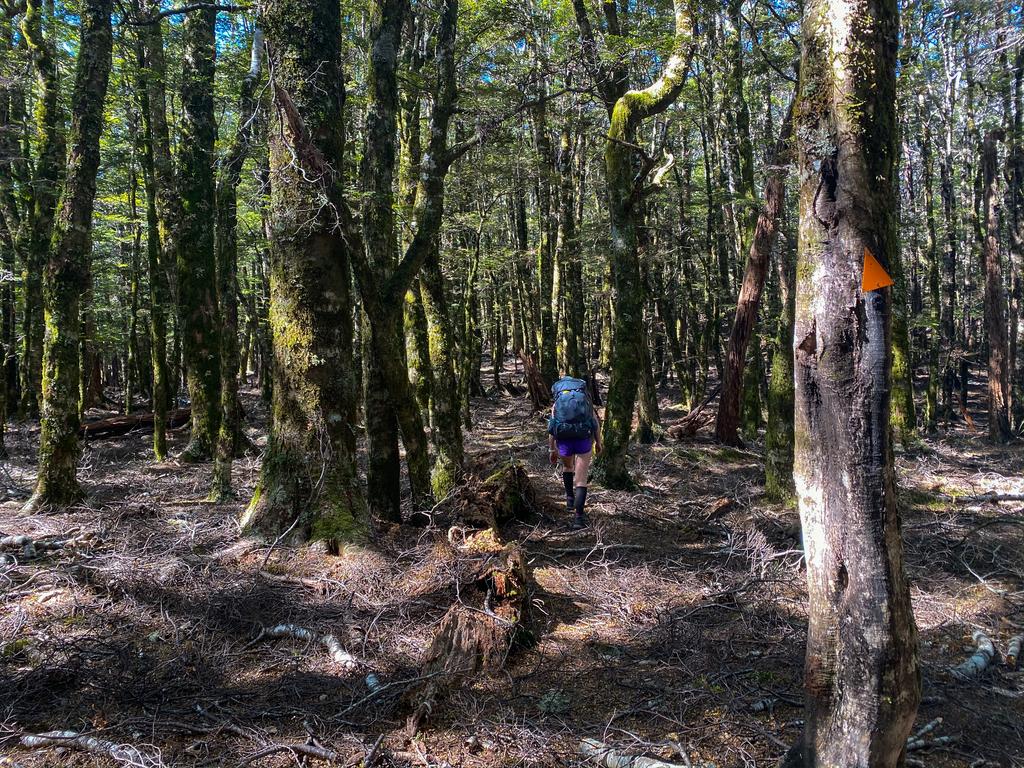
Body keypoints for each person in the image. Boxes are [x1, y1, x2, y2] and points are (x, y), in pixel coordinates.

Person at [547, 376, 602, 529]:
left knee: (567, 468)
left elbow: (552, 427)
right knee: (581, 480)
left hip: (564, 440)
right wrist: (598, 442)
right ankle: (578, 518)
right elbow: (595, 423)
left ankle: (570, 498)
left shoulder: (558, 402)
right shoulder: (585, 400)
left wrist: (552, 449)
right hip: (583, 440)